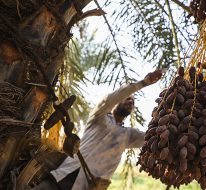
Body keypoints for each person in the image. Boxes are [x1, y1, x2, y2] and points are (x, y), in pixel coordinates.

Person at [32, 69, 163, 190]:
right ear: (117, 102)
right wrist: (143, 83)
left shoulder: (128, 135)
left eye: (133, 103)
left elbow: (151, 138)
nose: (131, 102)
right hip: (60, 178)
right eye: (128, 98)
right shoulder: (99, 116)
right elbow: (109, 99)